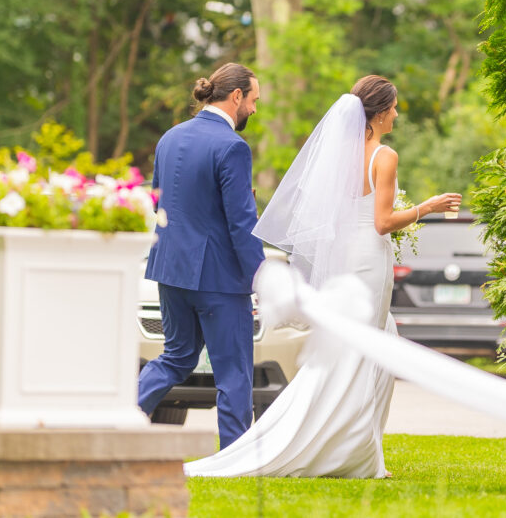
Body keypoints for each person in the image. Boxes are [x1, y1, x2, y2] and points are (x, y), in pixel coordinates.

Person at [184, 74, 461, 478]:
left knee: (364, 345)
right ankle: (348, 451)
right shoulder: (384, 156)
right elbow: (383, 222)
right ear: (380, 112)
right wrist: (427, 207)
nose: (397, 114)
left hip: (348, 257)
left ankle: (360, 448)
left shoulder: (339, 155)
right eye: (394, 107)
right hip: (369, 258)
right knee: (365, 350)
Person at [138, 62, 266, 450]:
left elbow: (163, 201)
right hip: (219, 279)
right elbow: (241, 223)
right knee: (234, 373)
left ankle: (117, 417)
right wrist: (261, 276)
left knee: (175, 357)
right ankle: (236, 457)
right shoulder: (232, 146)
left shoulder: (169, 138)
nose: (255, 110)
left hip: (170, 270)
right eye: (254, 101)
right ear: (237, 96)